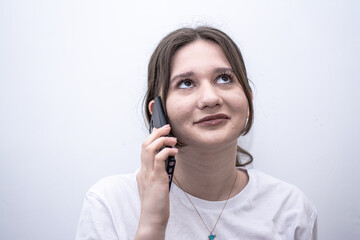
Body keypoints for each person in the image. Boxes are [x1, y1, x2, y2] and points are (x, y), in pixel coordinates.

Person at [75, 26, 317, 240]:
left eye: (224, 78)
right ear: (157, 112)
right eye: (186, 83)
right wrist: (152, 225)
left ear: (247, 100)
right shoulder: (109, 203)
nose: (211, 98)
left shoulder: (291, 208)